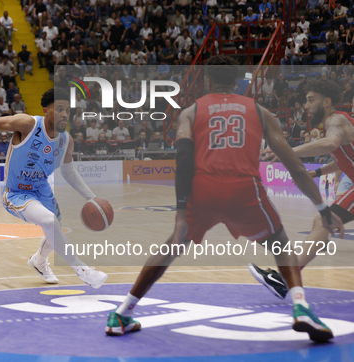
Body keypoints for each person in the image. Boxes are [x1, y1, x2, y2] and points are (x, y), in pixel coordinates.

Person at [105, 56, 342, 342]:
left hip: (203, 188)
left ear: (207, 82)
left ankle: (122, 312)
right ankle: (301, 307)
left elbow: (182, 159)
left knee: (171, 246)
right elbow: (295, 166)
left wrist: (181, 211)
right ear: (236, 82)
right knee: (280, 242)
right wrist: (322, 208)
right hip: (244, 189)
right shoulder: (261, 111)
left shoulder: (191, 112)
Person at [0, 88, 107, 287]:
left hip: (42, 189)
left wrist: (91, 197)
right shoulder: (28, 124)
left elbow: (68, 171)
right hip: (16, 192)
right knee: (49, 221)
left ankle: (39, 262)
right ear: (46, 110)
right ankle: (83, 270)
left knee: (56, 230)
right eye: (59, 109)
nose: (65, 114)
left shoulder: (66, 139)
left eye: (68, 110)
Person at [253, 79, 353, 301]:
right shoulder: (337, 124)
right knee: (322, 222)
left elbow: (330, 145)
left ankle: (285, 278)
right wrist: (316, 174)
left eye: (311, 99)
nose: (306, 105)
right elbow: (343, 160)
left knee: (322, 222)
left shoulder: (336, 120)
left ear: (327, 102)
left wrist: (287, 150)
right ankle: (286, 278)